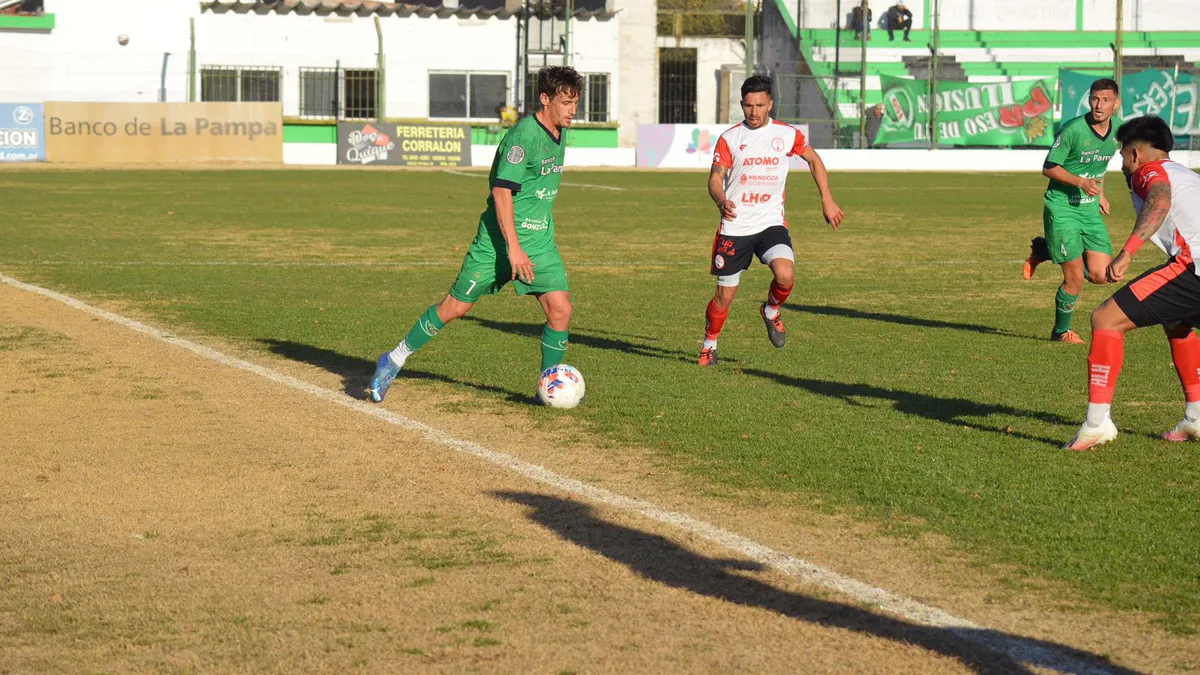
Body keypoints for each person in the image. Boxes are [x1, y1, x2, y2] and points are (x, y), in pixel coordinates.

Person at [368, 66, 583, 403]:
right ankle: (393, 359)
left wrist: (528, 244)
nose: (573, 111)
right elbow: (501, 193)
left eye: (576, 103)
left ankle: (548, 387)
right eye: (567, 103)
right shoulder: (523, 137)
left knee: (561, 310)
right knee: (454, 307)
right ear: (545, 99)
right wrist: (512, 248)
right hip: (498, 242)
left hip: (539, 242)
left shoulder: (560, 130)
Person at [1064, 115, 1200, 450]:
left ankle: (1096, 424)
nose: (1122, 163)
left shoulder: (1149, 171)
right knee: (1177, 323)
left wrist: (1126, 253)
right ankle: (1196, 415)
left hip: (1193, 266)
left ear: (1135, 154)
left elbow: (1160, 199)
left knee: (1105, 319)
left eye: (1122, 155)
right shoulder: (1186, 174)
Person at [698, 75, 845, 367]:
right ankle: (709, 345)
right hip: (736, 226)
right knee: (724, 296)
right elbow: (716, 178)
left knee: (786, 274)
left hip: (770, 223)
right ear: (742, 104)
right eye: (748, 105)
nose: (753, 111)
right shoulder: (731, 138)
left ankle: (771, 311)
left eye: (760, 105)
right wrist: (721, 200)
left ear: (770, 105)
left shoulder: (787, 134)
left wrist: (827, 199)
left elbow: (814, 160)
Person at [1023, 78, 1120, 345]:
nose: (1099, 106)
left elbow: (1101, 163)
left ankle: (1045, 250)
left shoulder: (1119, 131)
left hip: (1089, 211)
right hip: (1063, 207)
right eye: (1095, 99)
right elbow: (1049, 167)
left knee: (1102, 275)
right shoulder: (1073, 130)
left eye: (1106, 100)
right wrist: (1081, 182)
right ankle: (1060, 332)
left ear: (1116, 103)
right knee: (1075, 278)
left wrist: (1100, 192)